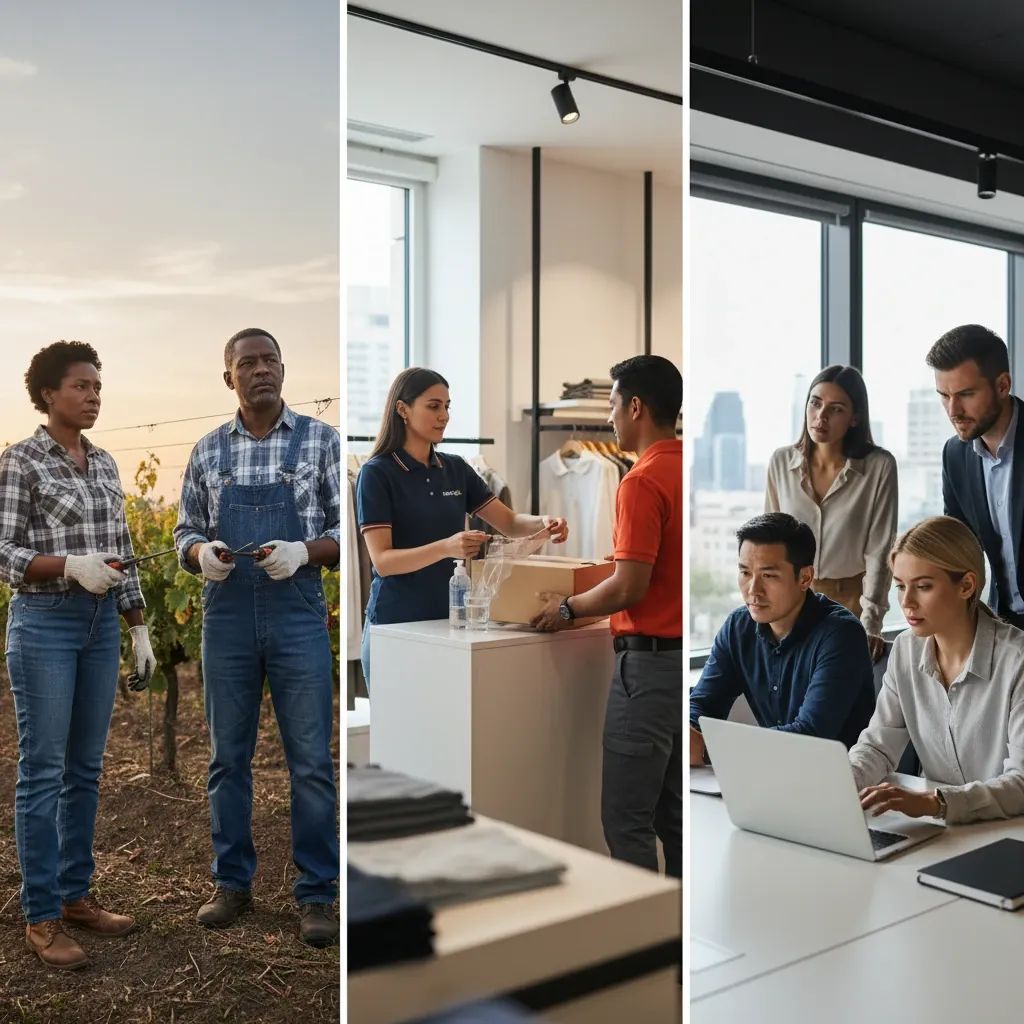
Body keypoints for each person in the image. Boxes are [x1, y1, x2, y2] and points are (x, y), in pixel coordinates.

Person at [174, 328, 340, 947]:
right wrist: (198, 553)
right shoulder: (208, 449)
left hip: (297, 614)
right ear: (229, 378)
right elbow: (185, 526)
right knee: (227, 759)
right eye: (248, 362)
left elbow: (338, 535)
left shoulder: (321, 441)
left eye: (270, 359)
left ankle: (317, 894)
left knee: (312, 763)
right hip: (229, 616)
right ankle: (232, 883)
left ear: (283, 369)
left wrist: (304, 550)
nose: (261, 370)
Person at [0, 341, 156, 970]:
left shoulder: (107, 463)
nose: (93, 396)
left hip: (100, 627)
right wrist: (69, 565)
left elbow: (122, 549)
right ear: (47, 394)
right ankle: (39, 916)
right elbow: (4, 550)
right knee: (42, 772)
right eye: (81, 386)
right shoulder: (20, 462)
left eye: (97, 386)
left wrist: (140, 626)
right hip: (46, 622)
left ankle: (74, 895)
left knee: (85, 770)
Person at [531, 355, 682, 879]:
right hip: (680, 667)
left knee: (625, 820)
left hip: (646, 670)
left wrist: (567, 609)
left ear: (636, 406)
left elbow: (629, 585)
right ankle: (680, 945)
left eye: (614, 406)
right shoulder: (686, 466)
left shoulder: (639, 481)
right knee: (674, 819)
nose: (610, 419)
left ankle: (645, 946)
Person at [356, 367, 568, 686]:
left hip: (450, 625)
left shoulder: (456, 468)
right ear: (402, 409)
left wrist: (544, 522)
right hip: (395, 625)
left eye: (447, 406)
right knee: (398, 732)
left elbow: (509, 522)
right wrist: (447, 547)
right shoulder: (376, 474)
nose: (444, 415)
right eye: (433, 406)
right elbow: (383, 563)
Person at [850, 516, 1024, 823]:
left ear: (967, 585)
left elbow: (1021, 783)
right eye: (901, 587)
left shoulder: (1017, 659)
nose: (907, 602)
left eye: (924, 587)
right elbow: (877, 747)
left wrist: (937, 803)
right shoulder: (905, 649)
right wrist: (841, 786)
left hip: (1008, 832)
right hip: (941, 831)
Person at [689, 512, 875, 767]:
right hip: (772, 774)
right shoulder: (738, 626)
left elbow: (811, 736)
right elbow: (702, 705)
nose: (753, 590)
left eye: (768, 575)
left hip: (842, 783)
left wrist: (711, 748)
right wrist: (691, 733)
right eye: (745, 572)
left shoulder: (841, 634)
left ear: (805, 578)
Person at [765, 365, 897, 659]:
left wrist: (871, 621)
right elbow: (769, 544)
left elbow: (880, 551)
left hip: (851, 603)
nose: (821, 416)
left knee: (840, 697)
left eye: (835, 409)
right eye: (815, 402)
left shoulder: (879, 466)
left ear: (855, 418)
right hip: (791, 600)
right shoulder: (780, 462)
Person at [928, 324, 1024, 628]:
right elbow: (958, 546)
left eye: (966, 394)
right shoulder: (955, 455)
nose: (953, 410)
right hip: (1003, 625)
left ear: (1002, 385)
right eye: (944, 395)